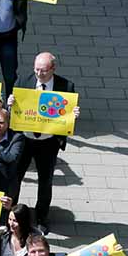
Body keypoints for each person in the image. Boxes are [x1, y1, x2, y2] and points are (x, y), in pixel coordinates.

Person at [8, 52, 80, 234]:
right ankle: (11, 214)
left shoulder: (65, 86)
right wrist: (10, 104)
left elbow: (67, 113)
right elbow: (13, 107)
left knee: (45, 180)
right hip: (24, 139)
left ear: (53, 69)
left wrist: (73, 114)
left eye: (44, 70)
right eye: (37, 69)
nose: (39, 74)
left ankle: (41, 217)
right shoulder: (23, 81)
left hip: (48, 142)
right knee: (16, 177)